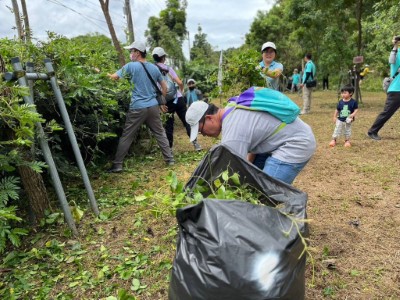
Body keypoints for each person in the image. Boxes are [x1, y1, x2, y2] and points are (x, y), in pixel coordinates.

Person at [185, 97, 316, 185]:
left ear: (209, 118)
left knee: (266, 193)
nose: (204, 135)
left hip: (295, 144)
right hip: (291, 135)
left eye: (201, 130)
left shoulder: (232, 132)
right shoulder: (233, 106)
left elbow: (235, 174)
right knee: (254, 180)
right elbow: (252, 148)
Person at [106, 41, 175, 173]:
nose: (130, 54)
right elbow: (164, 86)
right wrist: (162, 103)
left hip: (137, 107)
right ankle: (169, 159)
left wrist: (100, 72)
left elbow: (113, 78)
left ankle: (117, 165)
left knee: (127, 136)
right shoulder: (154, 68)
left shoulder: (131, 66)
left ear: (138, 52)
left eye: (131, 51)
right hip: (153, 106)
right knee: (160, 133)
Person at [152, 47, 201, 151]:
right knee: (186, 121)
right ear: (163, 57)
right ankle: (196, 144)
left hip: (165, 101)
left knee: (168, 125)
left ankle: (169, 149)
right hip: (177, 98)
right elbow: (179, 82)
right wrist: (181, 91)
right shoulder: (168, 68)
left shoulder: (152, 70)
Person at [368, 36, 400, 140]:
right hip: (396, 90)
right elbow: (392, 60)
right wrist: (395, 45)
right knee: (387, 112)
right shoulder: (396, 54)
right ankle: (372, 131)